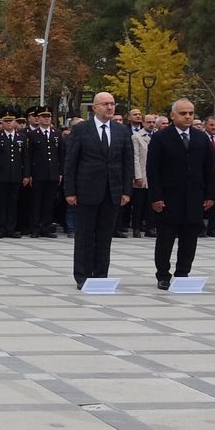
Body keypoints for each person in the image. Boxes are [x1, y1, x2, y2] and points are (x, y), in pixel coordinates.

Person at [63, 92, 134, 290]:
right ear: (94, 108)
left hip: (112, 192)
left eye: (112, 104)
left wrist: (126, 191)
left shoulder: (121, 131)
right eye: (105, 104)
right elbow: (71, 162)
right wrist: (70, 191)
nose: (109, 107)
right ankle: (83, 276)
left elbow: (127, 163)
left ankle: (101, 275)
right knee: (85, 236)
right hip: (86, 191)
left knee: (104, 236)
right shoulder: (81, 130)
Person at [147, 100, 215, 290]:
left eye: (191, 113)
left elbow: (209, 168)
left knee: (190, 239)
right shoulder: (161, 137)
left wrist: (210, 194)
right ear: (173, 115)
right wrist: (156, 197)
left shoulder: (201, 138)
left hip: (194, 197)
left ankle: (183, 273)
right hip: (169, 198)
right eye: (183, 113)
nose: (188, 117)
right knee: (165, 239)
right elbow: (153, 170)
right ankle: (162, 274)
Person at [0, 109, 28, 239]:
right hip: (1, 175)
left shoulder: (21, 137)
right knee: (0, 203)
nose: (8, 123)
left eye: (10, 121)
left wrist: (26, 175)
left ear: (15, 122)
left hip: (16, 175)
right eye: (5, 121)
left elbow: (25, 158)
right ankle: (0, 228)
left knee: (13, 202)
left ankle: (11, 228)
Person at [26, 106, 61, 238]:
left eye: (48, 117)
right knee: (36, 202)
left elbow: (61, 154)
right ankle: (35, 228)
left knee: (49, 203)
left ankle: (46, 228)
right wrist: (28, 174)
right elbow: (28, 156)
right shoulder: (32, 135)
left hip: (52, 173)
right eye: (43, 117)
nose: (46, 119)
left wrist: (60, 172)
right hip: (38, 173)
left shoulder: (56, 133)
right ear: (38, 119)